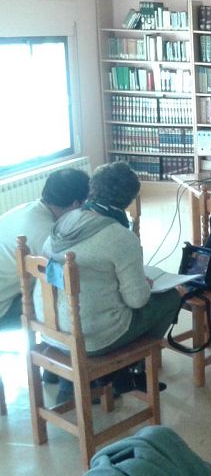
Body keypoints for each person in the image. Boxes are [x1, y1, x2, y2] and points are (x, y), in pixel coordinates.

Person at [36, 162, 180, 400]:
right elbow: (137, 300)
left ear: (92, 189)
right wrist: (143, 284)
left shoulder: (63, 222)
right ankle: (128, 366)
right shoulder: (120, 236)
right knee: (170, 298)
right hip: (90, 340)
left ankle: (120, 373)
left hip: (50, 330)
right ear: (130, 199)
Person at [0, 168, 89, 329]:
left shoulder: (29, 208)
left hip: (8, 288)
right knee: (80, 301)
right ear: (77, 203)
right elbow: (66, 280)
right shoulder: (46, 234)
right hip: (4, 308)